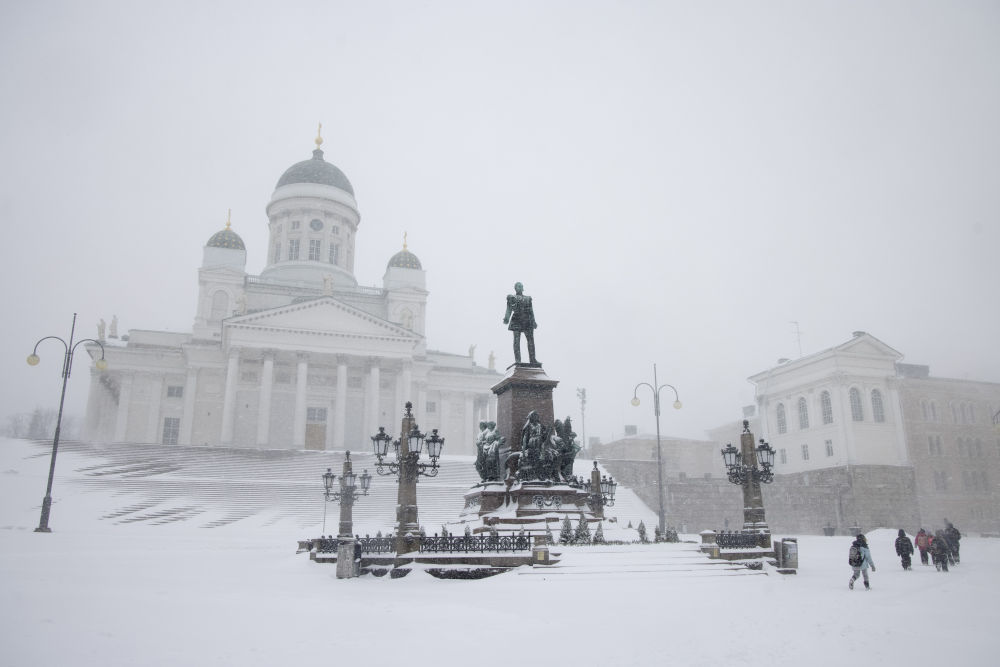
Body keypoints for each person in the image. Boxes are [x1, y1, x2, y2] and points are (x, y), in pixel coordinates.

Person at [503, 282, 538, 365]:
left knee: (531, 341)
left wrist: (533, 321)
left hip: (527, 320)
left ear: (523, 288)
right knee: (516, 341)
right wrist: (507, 318)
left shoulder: (528, 298)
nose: (520, 287)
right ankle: (518, 360)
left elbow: (531, 311)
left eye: (521, 286)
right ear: (515, 288)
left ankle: (532, 359)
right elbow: (509, 309)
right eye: (518, 286)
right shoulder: (512, 297)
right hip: (516, 320)